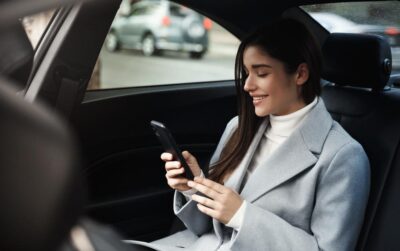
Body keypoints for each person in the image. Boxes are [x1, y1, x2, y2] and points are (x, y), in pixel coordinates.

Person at [126, 18, 370, 251]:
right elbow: (206, 228)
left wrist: (242, 215)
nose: (247, 85)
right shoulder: (238, 127)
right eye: (246, 72)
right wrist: (193, 185)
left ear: (300, 74)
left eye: (261, 73)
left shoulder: (343, 156)